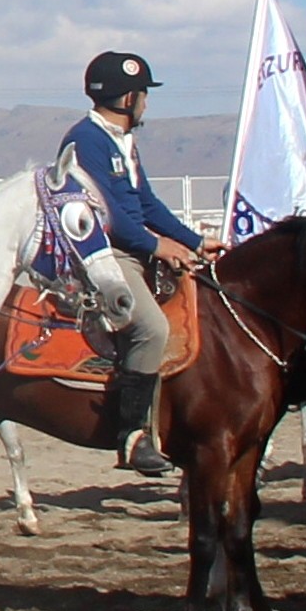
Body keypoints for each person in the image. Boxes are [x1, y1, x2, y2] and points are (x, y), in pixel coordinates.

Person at [61, 49, 222, 475]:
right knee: (152, 329)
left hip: (137, 247)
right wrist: (156, 247)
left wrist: (194, 241)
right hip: (106, 252)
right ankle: (132, 436)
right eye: (144, 94)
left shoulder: (123, 143)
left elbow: (145, 203)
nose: (147, 102)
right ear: (127, 98)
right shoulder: (86, 142)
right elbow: (108, 212)